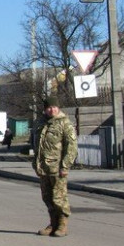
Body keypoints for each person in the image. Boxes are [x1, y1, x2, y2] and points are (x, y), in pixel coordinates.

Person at [33, 97, 78, 237]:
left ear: (58, 108)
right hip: (43, 168)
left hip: (58, 168)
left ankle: (62, 225)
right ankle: (53, 224)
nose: (51, 110)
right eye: (48, 107)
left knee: (59, 197)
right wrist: (35, 163)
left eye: (54, 107)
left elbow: (72, 147)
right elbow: (36, 144)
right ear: (45, 109)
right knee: (47, 197)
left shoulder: (65, 123)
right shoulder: (40, 123)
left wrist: (65, 166)